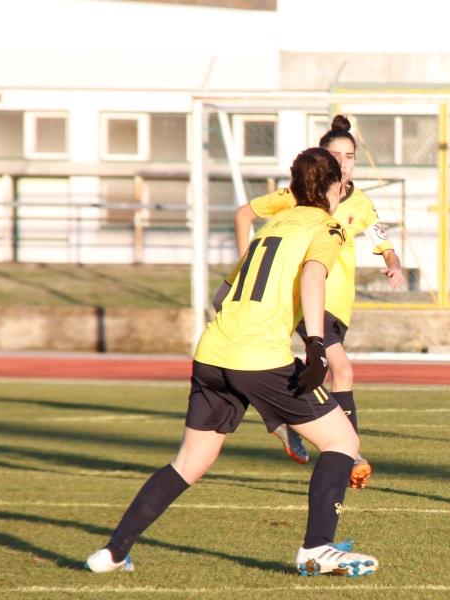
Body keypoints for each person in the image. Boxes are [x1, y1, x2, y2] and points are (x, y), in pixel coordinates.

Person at [85, 147, 379, 577]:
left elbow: (223, 295)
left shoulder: (270, 227)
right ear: (336, 187)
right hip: (259, 356)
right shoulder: (327, 225)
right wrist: (315, 344)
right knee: (343, 442)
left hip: (212, 352)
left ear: (293, 187)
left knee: (189, 462)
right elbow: (315, 275)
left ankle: (112, 552)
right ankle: (317, 547)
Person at [234, 115, 404, 489]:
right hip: (308, 299)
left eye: (349, 155)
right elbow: (245, 214)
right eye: (334, 154)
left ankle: (284, 420)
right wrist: (247, 262)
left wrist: (394, 265)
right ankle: (348, 456)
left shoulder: (360, 202)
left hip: (339, 305)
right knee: (341, 369)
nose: (343, 162)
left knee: (286, 363)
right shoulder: (301, 194)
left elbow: (384, 243)